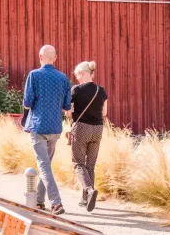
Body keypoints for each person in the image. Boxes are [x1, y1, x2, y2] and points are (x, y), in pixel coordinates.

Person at [23, 45, 71, 215]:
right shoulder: (63, 78)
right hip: (55, 127)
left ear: (40, 56)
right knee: (46, 166)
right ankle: (38, 201)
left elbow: (27, 103)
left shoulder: (34, 75)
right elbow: (66, 106)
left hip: (38, 126)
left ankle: (56, 203)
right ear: (55, 58)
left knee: (44, 166)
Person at [69, 61, 108, 212]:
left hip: (81, 128)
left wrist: (70, 112)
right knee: (90, 165)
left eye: (77, 74)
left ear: (83, 73)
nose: (76, 77)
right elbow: (104, 113)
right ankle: (85, 199)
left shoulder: (76, 90)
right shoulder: (102, 90)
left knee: (78, 163)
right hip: (98, 129)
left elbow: (68, 111)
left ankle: (89, 191)